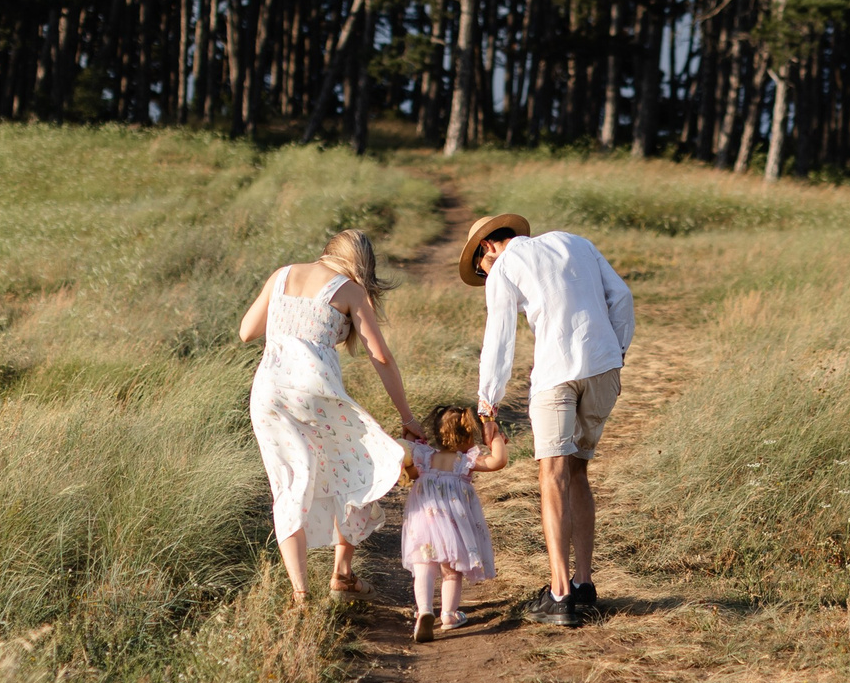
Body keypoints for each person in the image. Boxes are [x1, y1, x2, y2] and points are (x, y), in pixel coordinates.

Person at [460, 212, 633, 628]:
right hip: (603, 368)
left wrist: (488, 404)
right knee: (577, 472)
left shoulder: (504, 265)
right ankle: (584, 584)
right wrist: (617, 352)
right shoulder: (575, 241)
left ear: (487, 248)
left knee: (551, 476)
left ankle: (559, 594)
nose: (486, 278)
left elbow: (499, 338)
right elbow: (622, 297)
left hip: (556, 376)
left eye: (481, 271)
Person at [237, 227, 413, 605]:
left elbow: (246, 332)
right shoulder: (350, 291)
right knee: (358, 465)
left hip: (268, 393)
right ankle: (342, 574)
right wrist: (407, 417)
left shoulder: (282, 275)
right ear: (362, 264)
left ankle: (301, 595)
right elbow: (381, 357)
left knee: (288, 485)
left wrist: (288, 321)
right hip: (314, 393)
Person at [399, 403, 507, 642]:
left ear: (436, 434)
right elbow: (498, 461)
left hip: (423, 523)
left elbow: (408, 465)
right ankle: (448, 615)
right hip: (454, 526)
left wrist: (410, 435)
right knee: (451, 570)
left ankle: (424, 610)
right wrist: (496, 436)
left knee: (423, 565)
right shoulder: (465, 461)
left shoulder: (424, 457)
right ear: (468, 436)